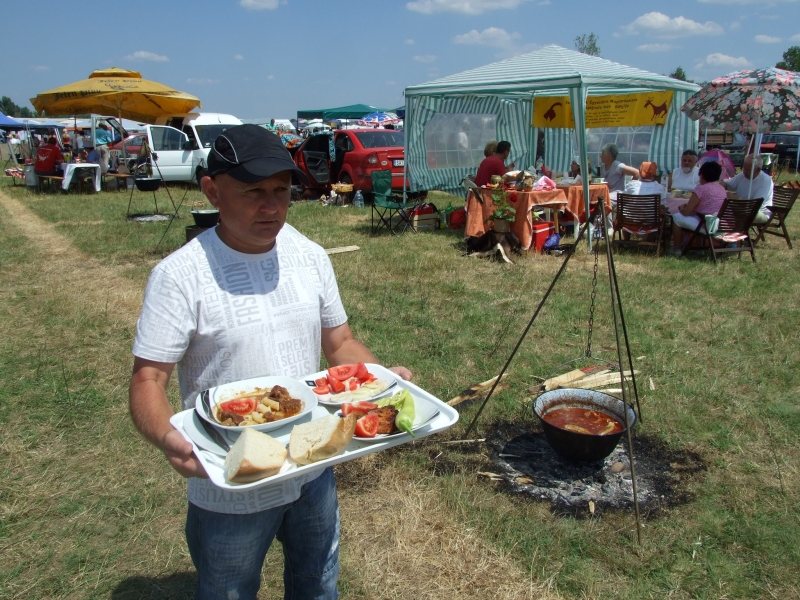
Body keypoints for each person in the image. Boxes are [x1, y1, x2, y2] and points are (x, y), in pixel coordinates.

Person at [128, 124, 412, 599]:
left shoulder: (309, 256)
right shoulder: (179, 276)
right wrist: (167, 437)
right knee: (228, 590)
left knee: (317, 582)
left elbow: (340, 343)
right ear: (212, 191)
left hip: (312, 463)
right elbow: (148, 379)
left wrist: (383, 381)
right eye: (253, 191)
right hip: (230, 481)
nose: (271, 206)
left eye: (281, 191)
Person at [669, 160, 726, 256]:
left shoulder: (700, 189)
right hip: (720, 225)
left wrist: (682, 208)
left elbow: (686, 212)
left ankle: (676, 249)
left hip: (708, 226)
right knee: (699, 217)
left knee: (676, 217)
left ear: (701, 175)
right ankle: (699, 249)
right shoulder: (721, 188)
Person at [722, 154, 774, 225]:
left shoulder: (765, 181)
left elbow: (755, 205)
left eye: (748, 170)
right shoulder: (742, 175)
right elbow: (727, 184)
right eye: (744, 168)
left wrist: (737, 199)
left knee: (741, 213)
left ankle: (733, 229)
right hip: (740, 209)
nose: (745, 172)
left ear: (758, 169)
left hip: (759, 213)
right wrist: (717, 185)